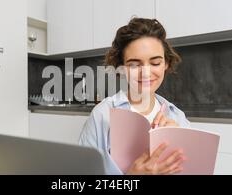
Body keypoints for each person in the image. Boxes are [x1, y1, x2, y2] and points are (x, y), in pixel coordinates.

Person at [79, 18, 191, 175]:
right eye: (134, 64)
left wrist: (181, 141)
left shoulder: (177, 117)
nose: (145, 72)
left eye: (155, 63)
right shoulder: (102, 115)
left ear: (166, 63)